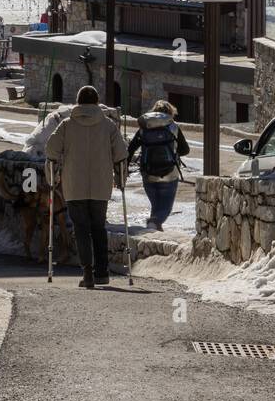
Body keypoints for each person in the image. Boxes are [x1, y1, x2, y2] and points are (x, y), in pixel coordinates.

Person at [45, 85, 127, 288]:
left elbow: (51, 150)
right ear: (97, 101)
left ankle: (87, 273)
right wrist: (121, 177)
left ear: (78, 101)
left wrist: (52, 176)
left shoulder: (67, 125)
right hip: (101, 184)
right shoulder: (108, 125)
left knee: (81, 229)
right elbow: (121, 153)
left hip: (74, 184)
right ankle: (102, 273)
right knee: (99, 228)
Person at [127, 100, 189, 232]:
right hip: (170, 174)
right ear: (170, 113)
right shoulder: (173, 126)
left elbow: (130, 149)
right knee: (165, 208)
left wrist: (123, 171)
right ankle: (153, 223)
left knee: (156, 206)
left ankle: (154, 231)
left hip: (148, 174)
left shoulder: (145, 127)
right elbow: (185, 150)